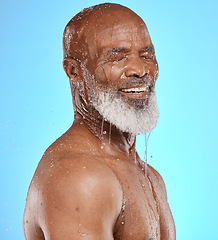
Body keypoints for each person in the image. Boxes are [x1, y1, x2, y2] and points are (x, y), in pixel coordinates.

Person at [23, 3, 176, 240]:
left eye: (147, 55)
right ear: (74, 71)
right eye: (118, 57)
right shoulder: (78, 177)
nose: (139, 69)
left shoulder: (150, 176)